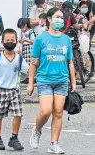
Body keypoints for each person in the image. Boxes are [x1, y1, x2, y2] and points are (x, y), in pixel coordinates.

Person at [27, 8, 76, 154]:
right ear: (49, 19)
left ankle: (54, 143)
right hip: (44, 79)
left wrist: (73, 82)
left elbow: (70, 62)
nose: (60, 19)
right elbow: (33, 62)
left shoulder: (66, 39)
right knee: (46, 111)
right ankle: (37, 130)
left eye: (61, 17)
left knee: (58, 112)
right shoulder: (41, 39)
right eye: (57, 17)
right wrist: (30, 83)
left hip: (61, 80)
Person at [0, 29, 29, 151]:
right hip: (0, 90)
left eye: (12, 40)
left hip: (14, 90)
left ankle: (14, 138)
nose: (10, 42)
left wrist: (35, 66)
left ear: (16, 42)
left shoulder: (19, 58)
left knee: (18, 113)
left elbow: (27, 71)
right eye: (7, 40)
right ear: (2, 41)